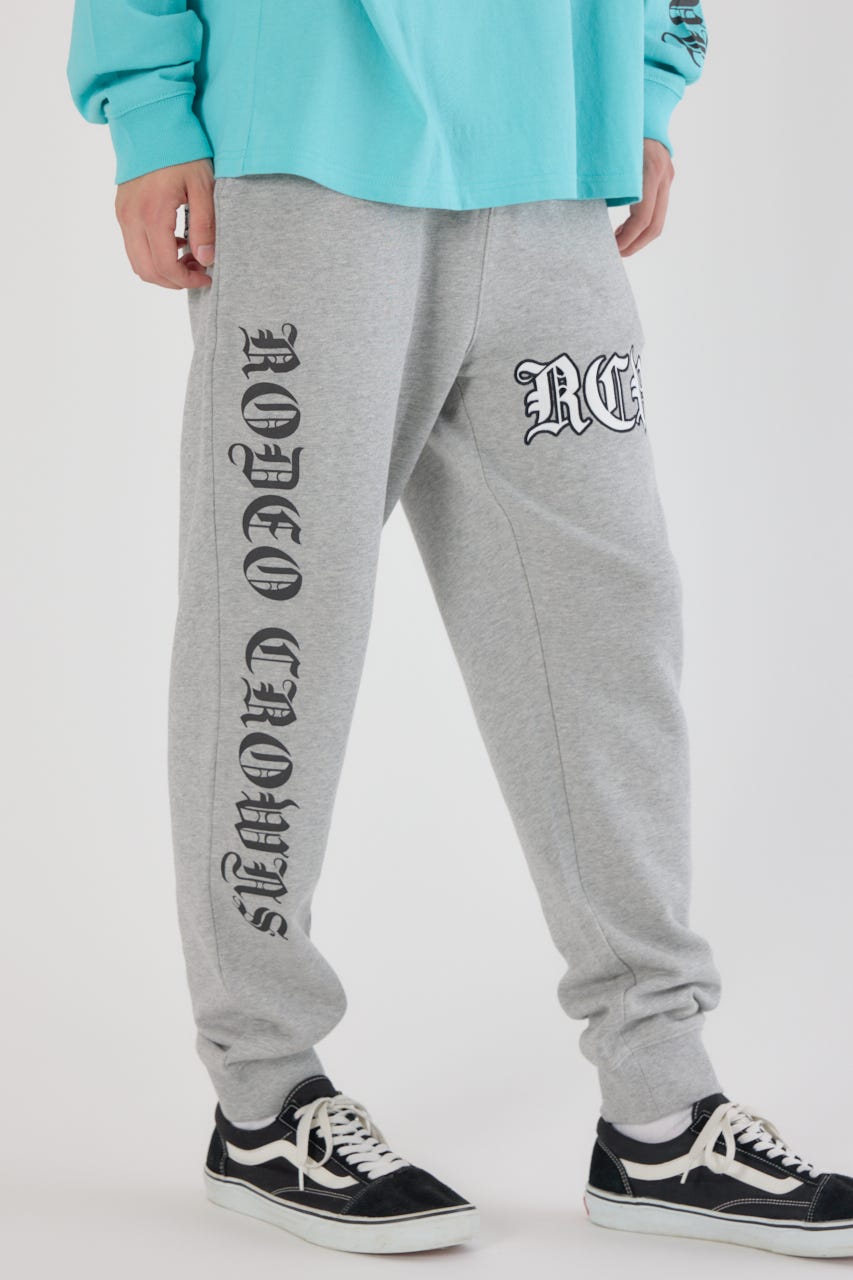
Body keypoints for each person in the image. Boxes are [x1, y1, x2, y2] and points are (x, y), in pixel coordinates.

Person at [66, 0, 853, 1259]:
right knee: (280, 633)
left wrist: (647, 80)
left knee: (610, 626)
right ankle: (263, 1091)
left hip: (552, 176)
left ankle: (661, 1107)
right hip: (308, 161)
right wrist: (152, 109)